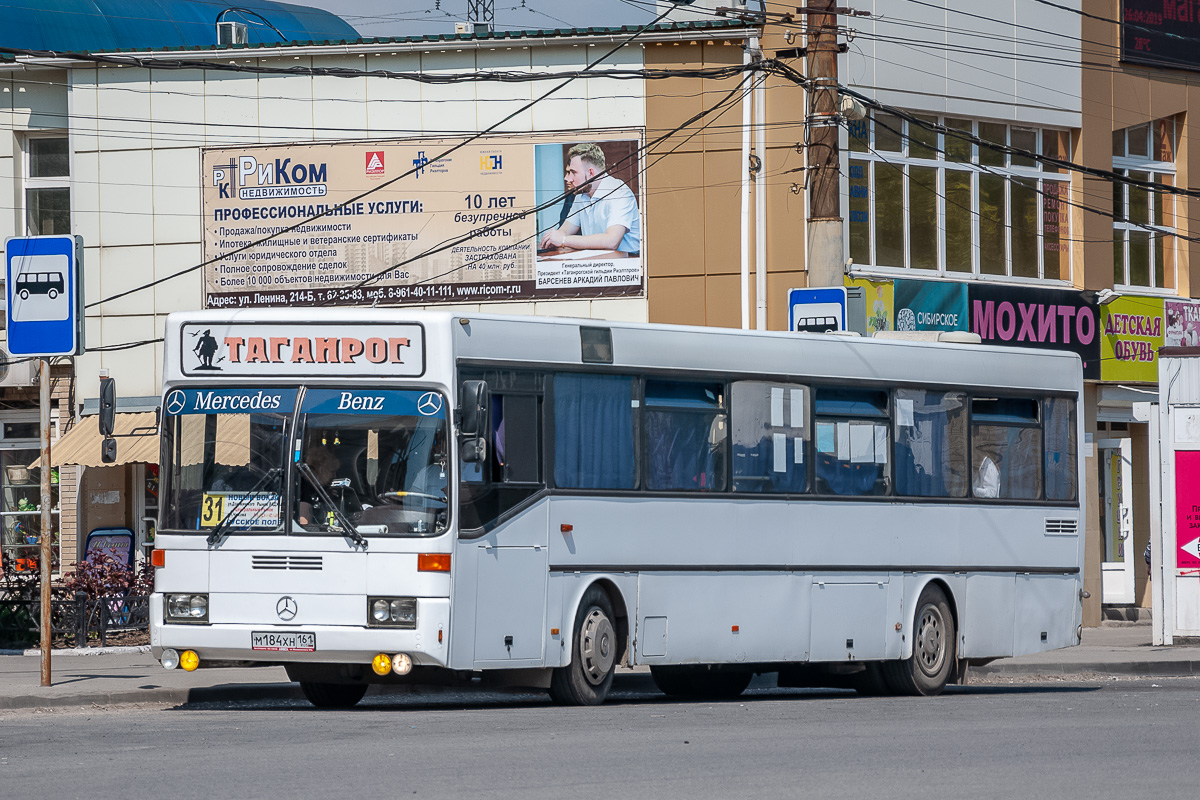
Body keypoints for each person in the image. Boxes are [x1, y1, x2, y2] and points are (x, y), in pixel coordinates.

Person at [538, 143, 640, 255]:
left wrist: (563, 240)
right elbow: (565, 231)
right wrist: (553, 238)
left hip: (626, 264)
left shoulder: (619, 192)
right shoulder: (580, 196)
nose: (568, 179)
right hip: (596, 263)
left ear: (591, 173)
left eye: (574, 173)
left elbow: (612, 241)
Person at [298, 445, 339, 527]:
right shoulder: (305, 489)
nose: (334, 476)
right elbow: (304, 523)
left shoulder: (321, 488)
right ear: (320, 469)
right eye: (332, 471)